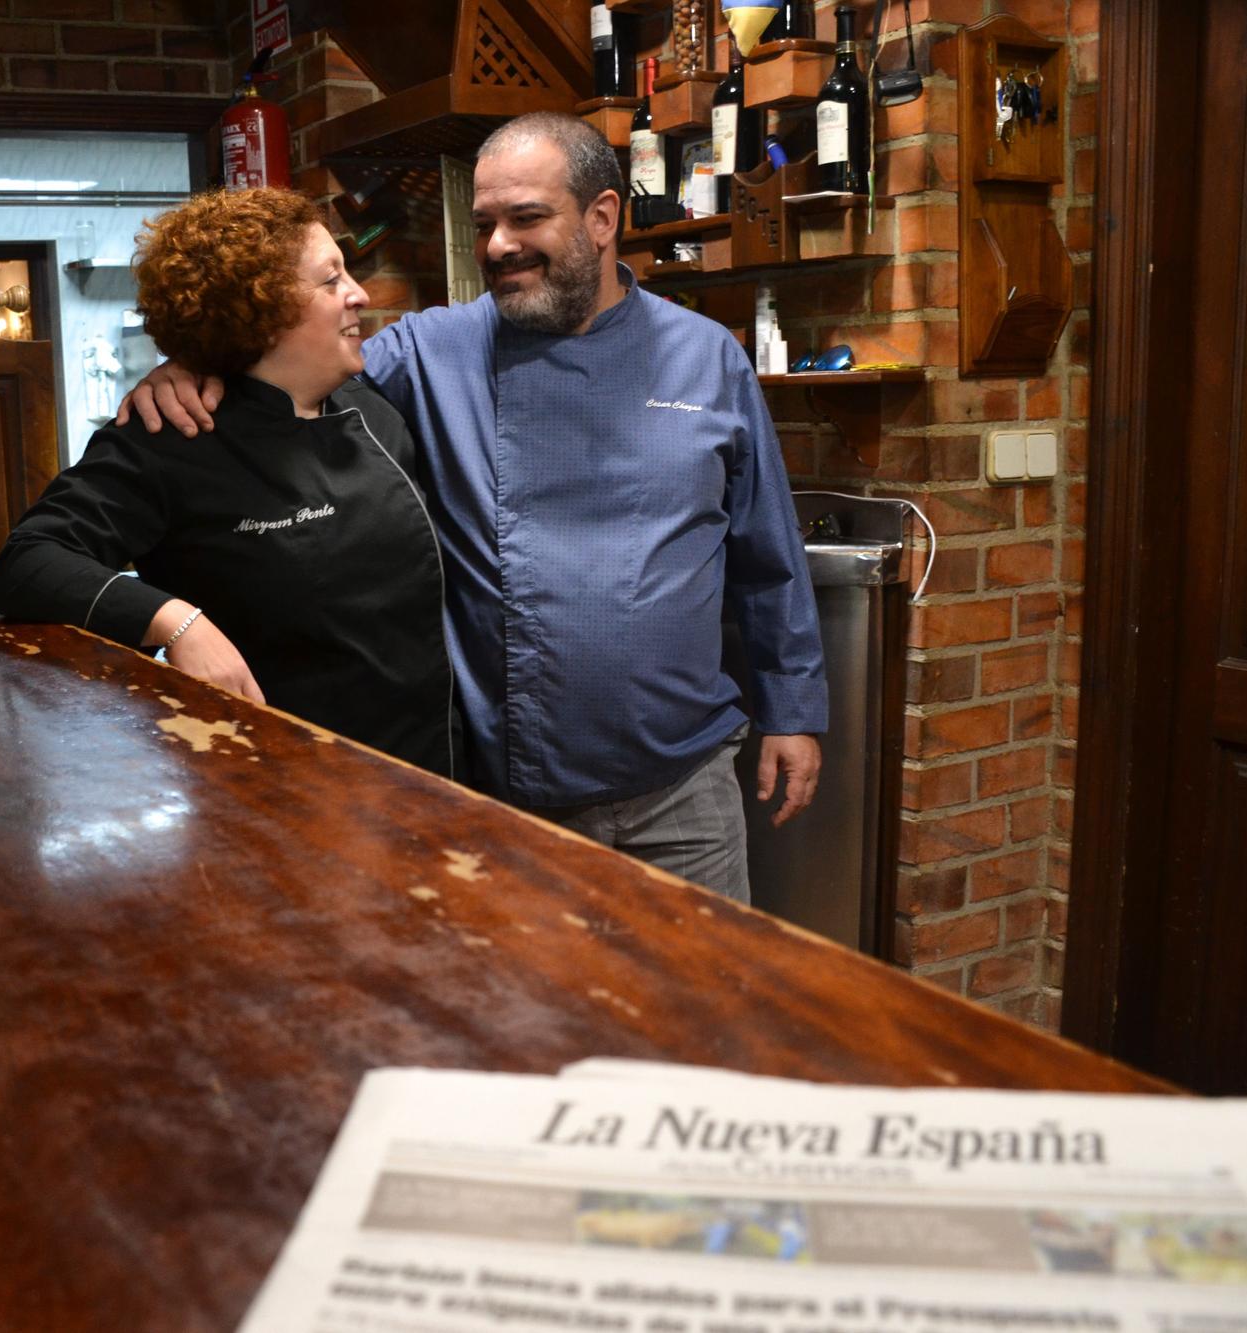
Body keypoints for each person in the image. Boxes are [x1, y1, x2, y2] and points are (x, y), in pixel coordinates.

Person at [123, 114, 825, 902]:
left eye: (526, 219)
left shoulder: (707, 358)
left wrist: (791, 710)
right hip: (508, 796)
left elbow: (767, 555)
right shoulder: (430, 351)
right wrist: (192, 363)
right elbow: (288, 373)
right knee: (529, 1021)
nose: (497, 246)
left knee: (697, 1013)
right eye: (486, 223)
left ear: (601, 219)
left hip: (686, 790)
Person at [0, 188, 453, 776]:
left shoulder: (373, 408)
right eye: (331, 280)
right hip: (279, 781)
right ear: (262, 309)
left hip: (433, 766)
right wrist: (177, 622)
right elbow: (28, 561)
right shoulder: (172, 434)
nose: (359, 295)